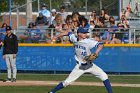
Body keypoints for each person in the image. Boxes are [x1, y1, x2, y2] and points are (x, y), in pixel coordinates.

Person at [47, 27, 113, 93]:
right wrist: (56, 36)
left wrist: (96, 52)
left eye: (86, 33)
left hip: (90, 65)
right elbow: (67, 33)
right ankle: (51, 92)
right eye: (84, 33)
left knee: (104, 76)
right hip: (79, 67)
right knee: (66, 82)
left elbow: (100, 44)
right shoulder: (74, 38)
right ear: (79, 34)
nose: (85, 34)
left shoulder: (88, 41)